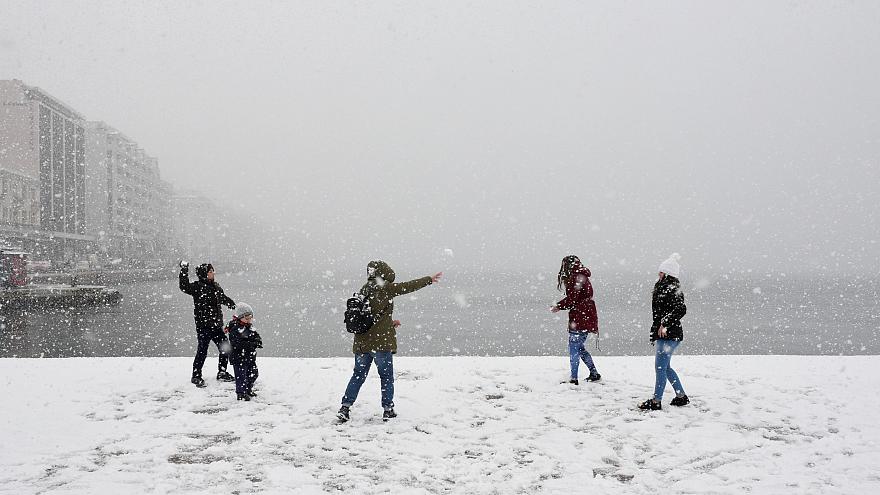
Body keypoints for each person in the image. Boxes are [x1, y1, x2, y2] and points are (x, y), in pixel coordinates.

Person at [337, 260, 442, 422]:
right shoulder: (385, 287)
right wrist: (429, 279)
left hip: (362, 344)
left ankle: (345, 407)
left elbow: (367, 319)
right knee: (386, 377)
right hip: (381, 343)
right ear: (384, 272)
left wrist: (390, 324)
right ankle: (388, 409)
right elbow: (408, 286)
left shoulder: (363, 289)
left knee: (358, 375)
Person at [639, 253, 689, 410]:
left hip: (669, 334)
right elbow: (659, 314)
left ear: (668, 273)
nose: (658, 274)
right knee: (665, 367)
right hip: (666, 334)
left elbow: (681, 309)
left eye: (661, 271)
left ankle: (656, 401)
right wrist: (655, 329)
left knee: (660, 367)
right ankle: (681, 396)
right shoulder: (662, 287)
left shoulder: (672, 288)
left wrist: (665, 324)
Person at [178, 261, 236, 387]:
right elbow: (184, 286)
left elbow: (222, 298)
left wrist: (232, 304)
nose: (213, 273)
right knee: (202, 351)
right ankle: (196, 375)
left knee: (225, 347)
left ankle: (222, 372)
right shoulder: (198, 287)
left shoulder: (216, 286)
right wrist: (184, 270)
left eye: (212, 270)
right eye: (210, 271)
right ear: (204, 273)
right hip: (203, 326)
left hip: (216, 326)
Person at [551, 255, 601, 385]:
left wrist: (558, 306)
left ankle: (574, 379)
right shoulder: (582, 276)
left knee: (574, 348)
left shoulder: (576, 277)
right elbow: (577, 298)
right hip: (587, 316)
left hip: (580, 317)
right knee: (579, 348)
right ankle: (594, 373)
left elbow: (572, 299)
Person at [225, 303, 262, 401]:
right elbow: (237, 343)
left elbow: (255, 335)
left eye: (250, 317)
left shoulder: (249, 326)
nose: (249, 320)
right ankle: (241, 393)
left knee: (253, 373)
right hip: (238, 357)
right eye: (246, 318)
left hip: (249, 356)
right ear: (240, 317)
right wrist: (251, 344)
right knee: (241, 376)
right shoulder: (235, 328)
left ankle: (248, 388)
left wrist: (258, 341)